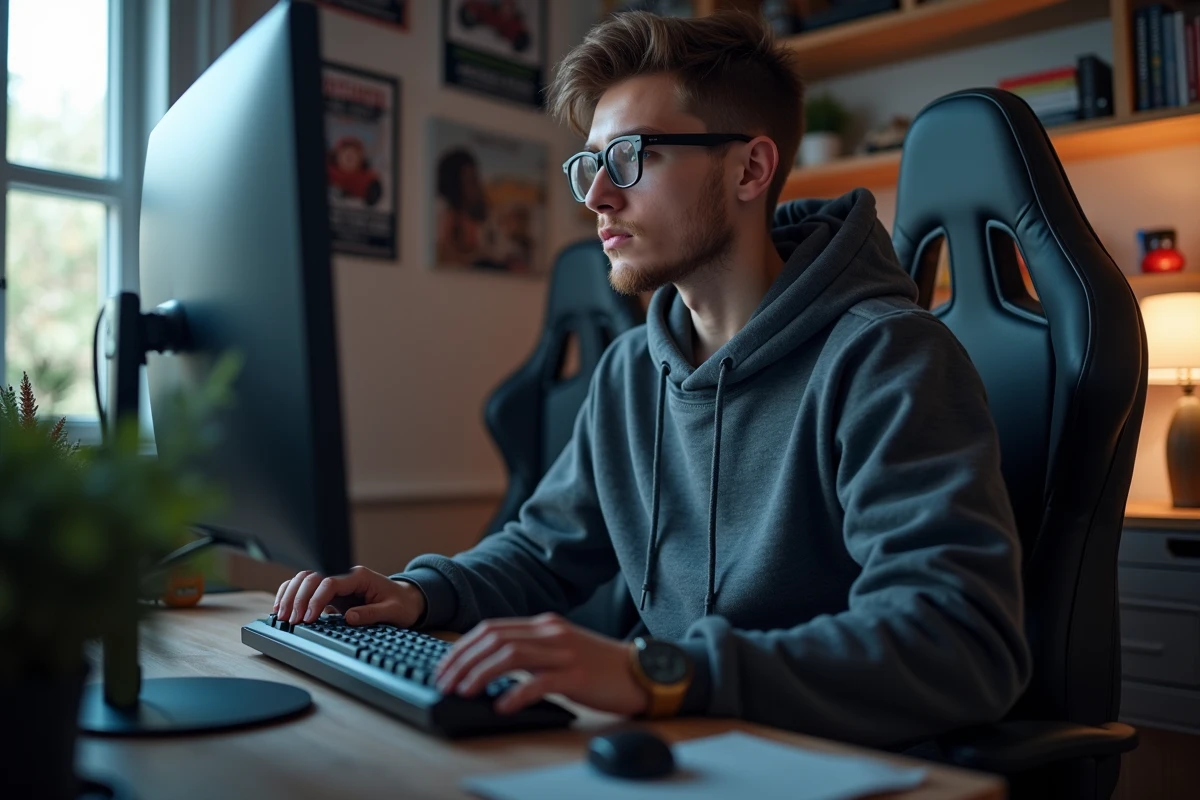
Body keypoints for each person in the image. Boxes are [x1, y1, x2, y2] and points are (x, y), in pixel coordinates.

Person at [273, 9, 1032, 750]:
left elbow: (958, 639)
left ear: (750, 168)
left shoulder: (887, 357)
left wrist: (661, 673)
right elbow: (546, 550)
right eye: (590, 165)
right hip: (680, 746)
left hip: (827, 762)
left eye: (631, 156)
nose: (599, 196)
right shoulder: (632, 370)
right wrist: (419, 593)